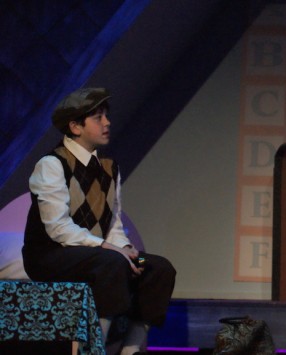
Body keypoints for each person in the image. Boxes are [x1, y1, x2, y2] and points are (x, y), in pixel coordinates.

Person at [23, 87, 177, 354]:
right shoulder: (52, 164)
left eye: (106, 116)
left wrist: (125, 248)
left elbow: (113, 223)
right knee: (112, 263)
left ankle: (130, 350)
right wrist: (108, 248)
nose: (107, 123)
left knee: (156, 267)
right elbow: (58, 228)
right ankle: (92, 349)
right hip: (51, 257)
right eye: (98, 117)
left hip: (99, 255)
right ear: (75, 126)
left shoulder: (109, 169)